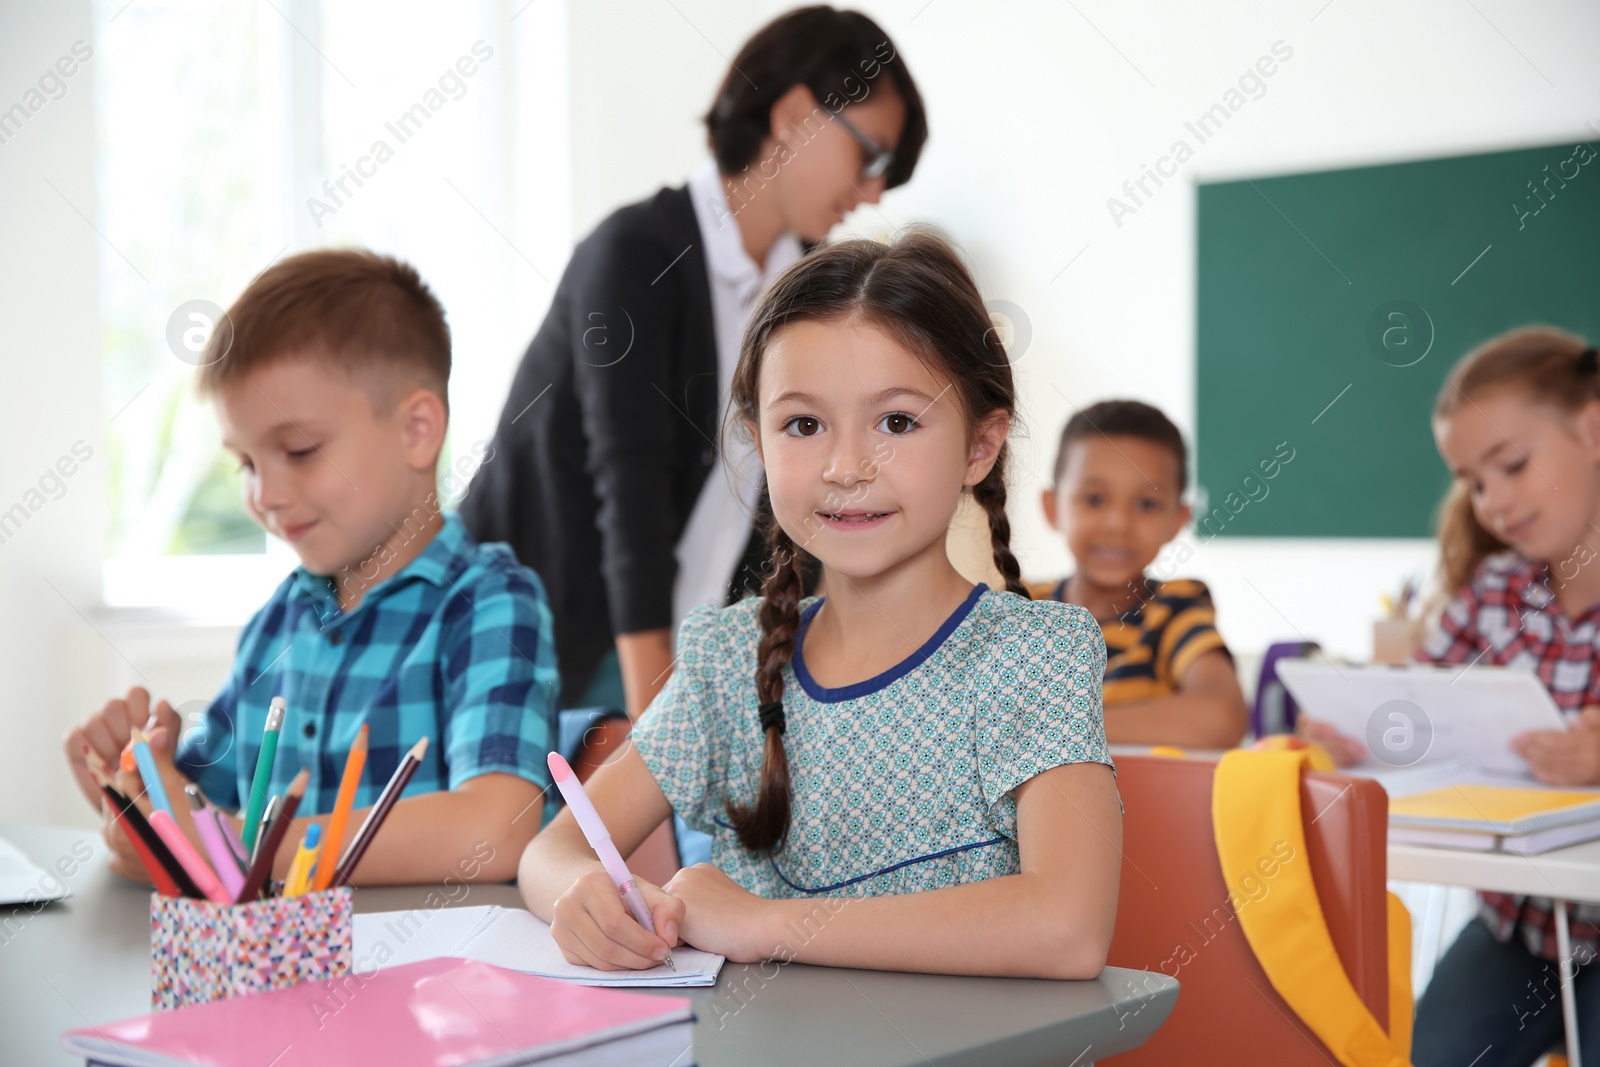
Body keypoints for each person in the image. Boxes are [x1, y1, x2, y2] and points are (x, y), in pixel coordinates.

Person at [518, 233, 1120, 979]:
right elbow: (549, 851)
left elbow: (1067, 928)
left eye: (897, 421)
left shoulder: (1034, 656)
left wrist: (767, 924)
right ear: (758, 440)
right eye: (803, 424)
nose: (844, 467)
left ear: (981, 445)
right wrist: (581, 894)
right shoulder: (729, 662)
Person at [459, 6, 927, 721]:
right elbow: (632, 501)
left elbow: (789, 504)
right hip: (554, 645)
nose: (872, 193)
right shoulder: (636, 255)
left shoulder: (804, 291)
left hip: (684, 651)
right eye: (873, 156)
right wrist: (658, 739)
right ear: (796, 113)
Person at [63, 250, 560, 886]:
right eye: (245, 463)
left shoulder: (489, 602)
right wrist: (131, 785)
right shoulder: (279, 623)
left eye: (298, 451)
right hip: (282, 972)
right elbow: (195, 811)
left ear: (417, 430)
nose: (264, 493)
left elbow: (494, 832)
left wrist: (246, 846)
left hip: (429, 977)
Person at [1306, 326, 1600, 1065]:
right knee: (1430, 1053)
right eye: (1472, 480)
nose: (1491, 500)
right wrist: (1362, 731)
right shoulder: (1493, 592)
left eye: (1511, 464)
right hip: (1518, 927)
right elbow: (1424, 712)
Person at [1028, 400, 1248, 748]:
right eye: (1095, 499)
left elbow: (1222, 717)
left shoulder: (1175, 609)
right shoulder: (1021, 605)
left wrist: (1047, 723)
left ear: (1177, 520)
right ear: (1053, 508)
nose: (1118, 525)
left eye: (1146, 504)